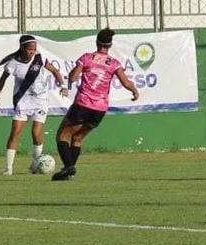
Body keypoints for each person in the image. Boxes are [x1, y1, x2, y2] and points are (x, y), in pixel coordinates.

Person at [51, 28, 140, 181]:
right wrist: (135, 91)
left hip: (83, 104)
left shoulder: (87, 58)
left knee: (63, 135)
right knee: (78, 138)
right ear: (110, 45)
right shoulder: (114, 63)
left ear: (96, 42)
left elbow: (73, 77)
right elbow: (125, 82)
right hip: (99, 109)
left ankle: (68, 167)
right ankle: (69, 171)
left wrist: (74, 74)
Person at [0, 34, 68, 176]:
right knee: (15, 132)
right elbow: (2, 80)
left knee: (36, 132)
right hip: (22, 100)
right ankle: (8, 168)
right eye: (29, 49)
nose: (32, 52)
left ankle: (35, 165)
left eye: (34, 49)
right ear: (22, 48)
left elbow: (55, 71)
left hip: (40, 100)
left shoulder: (39, 59)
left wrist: (63, 86)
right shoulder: (13, 63)